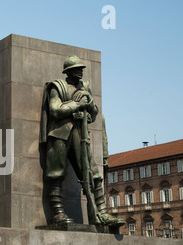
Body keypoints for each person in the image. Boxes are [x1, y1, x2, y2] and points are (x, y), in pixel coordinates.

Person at [40, 55, 124, 227]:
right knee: (56, 173)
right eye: (77, 69)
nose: (81, 71)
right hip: (59, 135)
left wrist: (89, 102)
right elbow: (55, 110)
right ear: (68, 71)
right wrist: (76, 105)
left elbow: (94, 114)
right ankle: (58, 213)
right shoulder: (57, 86)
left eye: (82, 68)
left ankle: (101, 212)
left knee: (93, 173)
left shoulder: (85, 87)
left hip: (81, 134)